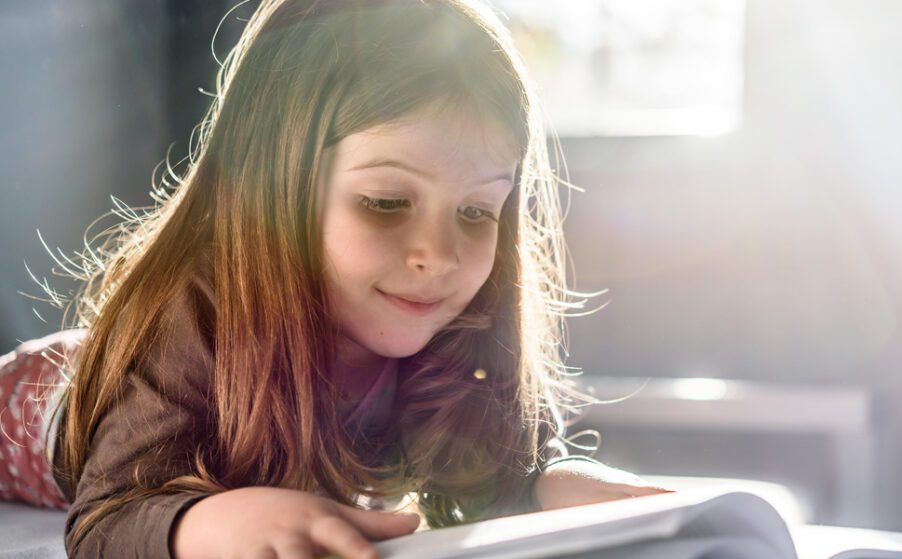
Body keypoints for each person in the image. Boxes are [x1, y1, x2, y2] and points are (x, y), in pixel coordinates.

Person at [2, 1, 669, 557]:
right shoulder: (188, 318)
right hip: (44, 390)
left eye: (475, 211)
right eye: (385, 202)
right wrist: (206, 521)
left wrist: (552, 481)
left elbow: (501, 463)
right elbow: (107, 518)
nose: (437, 255)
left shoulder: (453, 320)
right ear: (275, 191)